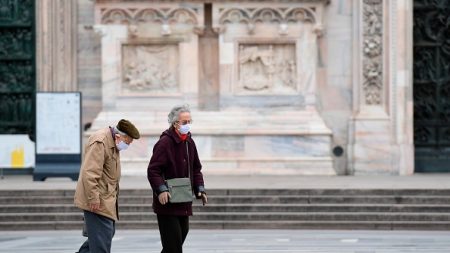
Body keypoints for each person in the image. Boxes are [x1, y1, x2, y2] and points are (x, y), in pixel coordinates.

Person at [148, 104, 207, 253]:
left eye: (189, 122)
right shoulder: (164, 143)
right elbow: (153, 170)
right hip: (168, 202)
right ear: (175, 123)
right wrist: (161, 190)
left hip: (184, 201)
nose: (188, 125)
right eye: (184, 122)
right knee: (173, 247)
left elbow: (196, 169)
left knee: (174, 244)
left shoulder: (189, 142)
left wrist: (200, 189)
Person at [74, 119, 140, 253]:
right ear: (118, 136)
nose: (127, 145)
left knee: (99, 239)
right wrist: (93, 198)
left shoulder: (113, 142)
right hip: (98, 201)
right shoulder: (100, 141)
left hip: (107, 200)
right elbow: (90, 172)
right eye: (127, 142)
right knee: (101, 244)